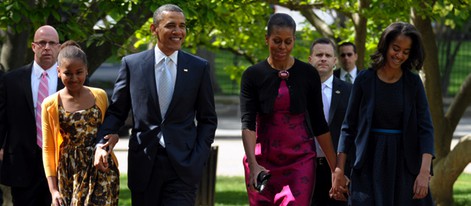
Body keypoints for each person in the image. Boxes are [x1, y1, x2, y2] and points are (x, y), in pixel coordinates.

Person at [93, 4, 217, 206]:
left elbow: (207, 119)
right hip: (144, 164)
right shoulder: (132, 64)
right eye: (171, 25)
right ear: (154, 29)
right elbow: (117, 111)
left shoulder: (198, 67)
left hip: (183, 165)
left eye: (182, 26)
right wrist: (101, 144)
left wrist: (199, 155)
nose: (178, 32)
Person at [240, 13, 340, 205]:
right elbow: (248, 124)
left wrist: (335, 169)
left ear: (294, 40)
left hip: (299, 159)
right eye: (277, 41)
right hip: (262, 160)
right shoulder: (252, 75)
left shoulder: (308, 74)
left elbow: (320, 124)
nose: (282, 47)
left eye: (288, 41)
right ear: (267, 38)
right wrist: (253, 165)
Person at [333, 22, 434, 205]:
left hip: (405, 164)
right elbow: (348, 127)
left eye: (406, 51)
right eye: (396, 48)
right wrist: (339, 169)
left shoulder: (413, 83)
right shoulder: (364, 79)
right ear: (386, 45)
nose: (400, 55)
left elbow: (425, 129)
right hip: (368, 162)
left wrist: (424, 172)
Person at [41, 40, 119, 206]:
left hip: (101, 169)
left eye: (79, 72)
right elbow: (48, 149)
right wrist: (53, 190)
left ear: (87, 71)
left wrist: (113, 138)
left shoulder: (100, 96)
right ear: (58, 72)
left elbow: (109, 129)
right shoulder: (49, 104)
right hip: (70, 172)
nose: (74, 78)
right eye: (68, 73)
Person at [0, 25, 62, 205]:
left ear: (59, 47)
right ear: (33, 47)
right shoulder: (11, 80)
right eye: (42, 43)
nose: (47, 47)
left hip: (59, 164)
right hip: (21, 164)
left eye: (52, 43)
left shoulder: (69, 80)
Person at [308, 38, 352, 206]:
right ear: (310, 59)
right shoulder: (299, 91)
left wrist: (344, 170)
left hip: (339, 170)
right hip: (306, 168)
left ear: (335, 61)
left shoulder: (350, 91)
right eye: (319, 55)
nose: (323, 58)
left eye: (328, 55)